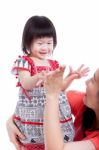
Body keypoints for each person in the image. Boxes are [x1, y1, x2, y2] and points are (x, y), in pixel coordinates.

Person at [7, 15, 89, 150]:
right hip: (33, 114)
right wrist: (38, 77)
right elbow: (26, 83)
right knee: (32, 142)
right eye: (40, 43)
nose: (45, 47)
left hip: (52, 112)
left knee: (54, 140)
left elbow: (60, 88)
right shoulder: (25, 62)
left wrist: (71, 77)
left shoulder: (53, 64)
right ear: (28, 43)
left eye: (49, 43)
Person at [44, 66, 99, 150]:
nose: (86, 82)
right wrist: (17, 121)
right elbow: (56, 95)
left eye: (93, 80)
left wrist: (52, 95)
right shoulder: (84, 104)